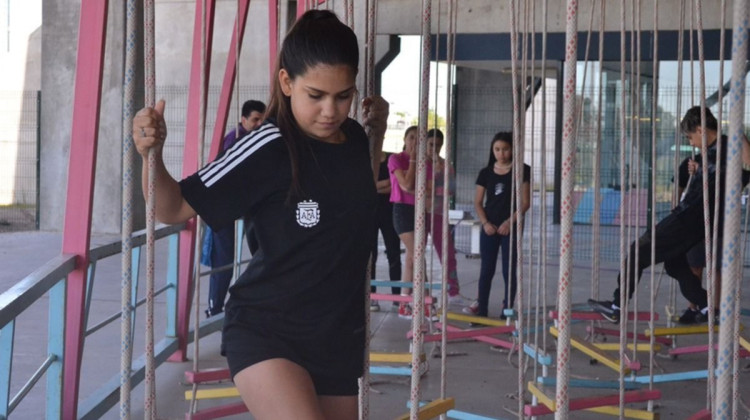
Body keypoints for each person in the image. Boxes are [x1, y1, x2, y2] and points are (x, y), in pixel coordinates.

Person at [133, 10, 388, 420]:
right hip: (269, 331)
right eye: (316, 95)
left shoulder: (355, 138)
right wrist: (152, 155)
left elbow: (356, 186)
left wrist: (380, 129)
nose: (331, 110)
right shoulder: (268, 145)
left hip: (338, 338)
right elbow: (173, 208)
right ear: (287, 83)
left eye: (343, 96)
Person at [590, 106, 750, 325]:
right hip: (692, 217)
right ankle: (707, 306)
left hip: (689, 217)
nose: (690, 142)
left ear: (701, 130)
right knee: (674, 265)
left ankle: (617, 305)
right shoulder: (706, 153)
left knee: (638, 251)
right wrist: (698, 169)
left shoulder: (727, 146)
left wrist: (739, 136)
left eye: (690, 136)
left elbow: (746, 167)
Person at [204, 99, 266, 318]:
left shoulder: (256, 140)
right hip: (225, 206)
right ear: (243, 120)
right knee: (223, 262)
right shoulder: (234, 140)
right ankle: (215, 308)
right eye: (255, 120)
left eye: (262, 120)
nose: (259, 124)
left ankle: (241, 304)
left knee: (262, 254)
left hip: (243, 205)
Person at [464, 132, 530, 319]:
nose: (501, 154)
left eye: (506, 149)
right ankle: (482, 309)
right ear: (492, 150)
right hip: (490, 227)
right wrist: (485, 223)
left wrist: (510, 222)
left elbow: (525, 202)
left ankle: (507, 310)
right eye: (497, 149)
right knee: (486, 269)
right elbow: (478, 202)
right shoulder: (485, 173)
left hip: (511, 226)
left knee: (509, 270)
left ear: (513, 150)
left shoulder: (522, 170)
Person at [369, 151, 402, 312]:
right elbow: (362, 185)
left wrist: (373, 186)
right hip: (370, 214)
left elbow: (394, 184)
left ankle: (397, 297)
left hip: (390, 213)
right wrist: (384, 185)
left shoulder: (391, 159)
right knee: (371, 255)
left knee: (393, 253)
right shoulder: (366, 159)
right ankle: (372, 297)